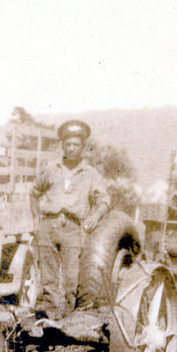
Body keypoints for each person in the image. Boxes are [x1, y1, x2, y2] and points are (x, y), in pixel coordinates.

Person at [29, 119, 111, 320]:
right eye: (68, 144)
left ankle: (69, 321)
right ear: (62, 146)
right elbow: (34, 192)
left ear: (83, 148)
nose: (72, 148)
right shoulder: (51, 168)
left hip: (73, 229)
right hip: (48, 226)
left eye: (76, 145)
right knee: (47, 277)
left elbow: (105, 200)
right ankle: (46, 321)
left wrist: (95, 215)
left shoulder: (90, 173)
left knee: (71, 279)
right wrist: (36, 222)